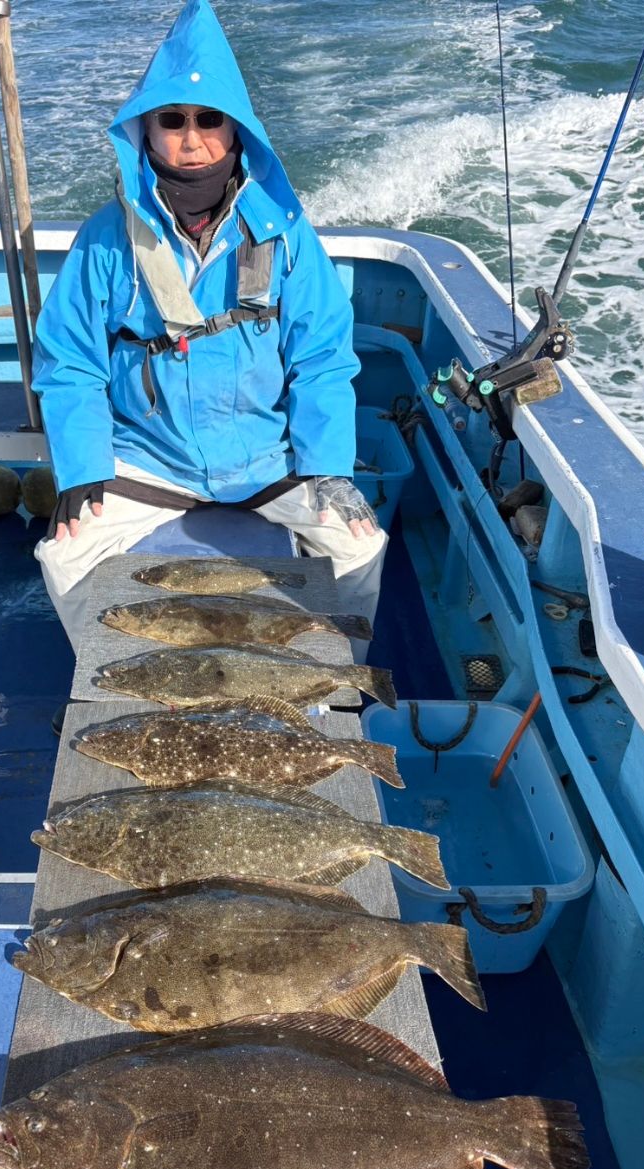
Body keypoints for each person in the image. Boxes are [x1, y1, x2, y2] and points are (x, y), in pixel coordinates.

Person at [32, 0, 386, 679]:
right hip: (149, 457)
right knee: (64, 556)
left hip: (266, 455)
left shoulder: (286, 234)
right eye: (172, 120)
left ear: (236, 129)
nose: (191, 139)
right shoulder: (105, 239)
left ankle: (340, 682)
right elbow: (70, 363)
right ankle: (112, 680)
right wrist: (81, 467)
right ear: (146, 129)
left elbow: (321, 359)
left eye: (208, 120)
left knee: (359, 548)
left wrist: (328, 466)